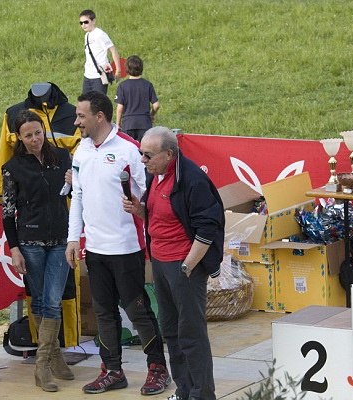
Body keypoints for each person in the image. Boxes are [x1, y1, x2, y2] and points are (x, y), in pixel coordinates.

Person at [66, 91, 170, 395]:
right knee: (104, 313)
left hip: (126, 249)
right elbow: (78, 197)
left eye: (81, 116)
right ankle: (112, 370)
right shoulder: (81, 151)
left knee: (138, 311)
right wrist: (73, 238)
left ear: (99, 117)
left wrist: (140, 209)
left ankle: (158, 369)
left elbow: (152, 192)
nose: (76, 121)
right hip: (95, 250)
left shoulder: (129, 149)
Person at [122, 126, 225, 400]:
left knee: (191, 333)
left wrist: (188, 266)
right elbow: (160, 215)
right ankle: (184, 391)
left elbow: (208, 227)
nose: (143, 160)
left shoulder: (192, 179)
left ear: (169, 154)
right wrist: (139, 209)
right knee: (171, 331)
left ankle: (202, 394)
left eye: (148, 155)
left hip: (183, 265)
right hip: (161, 261)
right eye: (141, 153)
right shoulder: (155, 174)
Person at [1, 110, 74, 392]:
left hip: (60, 239)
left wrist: (74, 183)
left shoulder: (63, 157)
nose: (35, 139)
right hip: (30, 242)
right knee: (41, 300)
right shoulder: (12, 167)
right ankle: (52, 357)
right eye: (28, 135)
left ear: (44, 130)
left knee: (53, 301)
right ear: (19, 137)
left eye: (38, 132)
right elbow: (7, 212)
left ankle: (42, 364)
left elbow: (72, 195)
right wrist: (14, 248)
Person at [114, 55, 160, 142]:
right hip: (145, 123)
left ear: (127, 69)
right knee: (145, 149)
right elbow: (156, 105)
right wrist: (152, 115)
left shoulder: (122, 86)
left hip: (128, 124)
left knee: (129, 148)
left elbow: (120, 108)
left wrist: (118, 124)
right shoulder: (148, 85)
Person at [79, 9, 121, 95]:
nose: (83, 25)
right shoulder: (87, 35)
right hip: (87, 75)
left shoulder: (100, 34)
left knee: (98, 102)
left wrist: (118, 70)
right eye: (81, 23)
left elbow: (113, 50)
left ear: (93, 21)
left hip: (99, 76)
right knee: (84, 101)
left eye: (86, 22)